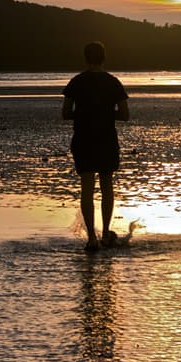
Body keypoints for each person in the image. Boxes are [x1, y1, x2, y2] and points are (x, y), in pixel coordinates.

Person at [62, 41, 129, 252]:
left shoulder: (76, 82)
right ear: (104, 58)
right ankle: (106, 233)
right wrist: (106, 114)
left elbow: (65, 113)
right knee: (107, 186)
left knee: (87, 187)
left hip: (83, 139)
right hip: (107, 138)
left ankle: (91, 237)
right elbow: (125, 114)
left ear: (85, 58)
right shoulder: (113, 82)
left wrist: (84, 114)